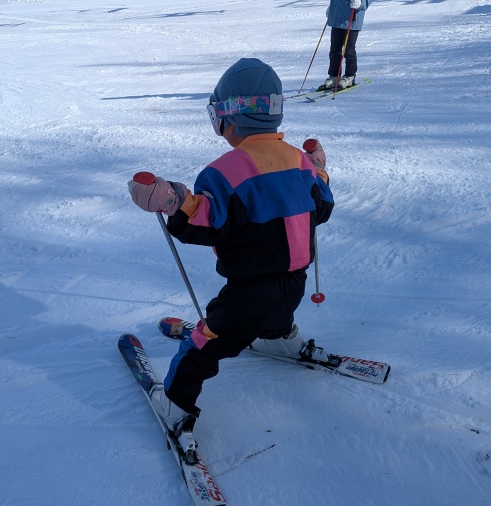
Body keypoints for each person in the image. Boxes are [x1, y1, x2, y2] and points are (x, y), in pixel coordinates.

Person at [127, 58, 334, 451]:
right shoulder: (299, 161)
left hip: (249, 292)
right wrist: (320, 170)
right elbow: (320, 206)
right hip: (295, 282)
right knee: (277, 311)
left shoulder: (225, 172)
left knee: (206, 343)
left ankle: (175, 403)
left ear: (229, 119)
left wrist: (171, 201)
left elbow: (206, 222)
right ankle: (280, 338)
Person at [318, 0, 372, 91]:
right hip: (337, 16)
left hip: (352, 16)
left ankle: (349, 76)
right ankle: (334, 76)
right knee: (335, 49)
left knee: (348, 50)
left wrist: (362, 2)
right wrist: (332, 8)